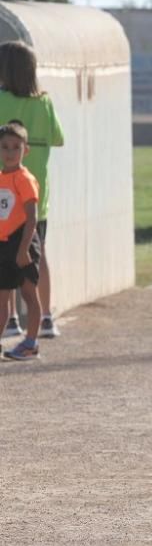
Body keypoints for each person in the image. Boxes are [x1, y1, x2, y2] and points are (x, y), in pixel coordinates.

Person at [0, 41, 65, 338]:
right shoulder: (44, 102)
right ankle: (47, 317)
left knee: (5, 256)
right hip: (37, 195)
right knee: (39, 254)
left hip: (6, 195)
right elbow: (58, 138)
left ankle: (11, 318)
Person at [0, 120, 43, 360]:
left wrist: (24, 248)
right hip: (4, 244)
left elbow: (32, 217)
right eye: (4, 147)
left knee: (28, 293)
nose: (9, 152)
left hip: (22, 241)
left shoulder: (24, 178)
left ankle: (30, 342)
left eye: (15, 147)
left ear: (25, 150)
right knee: (2, 297)